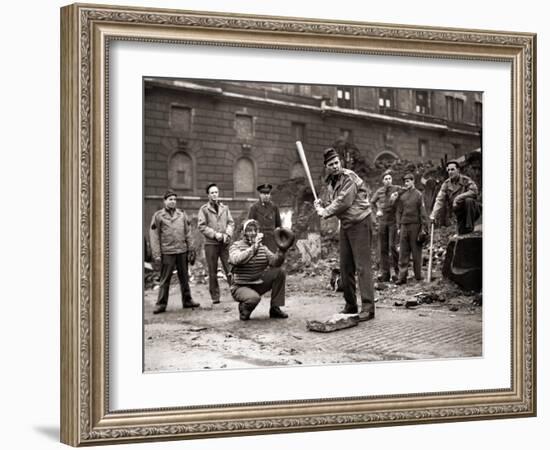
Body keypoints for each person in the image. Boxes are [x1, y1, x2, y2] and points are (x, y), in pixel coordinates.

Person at [314, 147, 375, 322]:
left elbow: (343, 202)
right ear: (326, 166)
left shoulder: (349, 177)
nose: (334, 166)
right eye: (331, 164)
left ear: (340, 162)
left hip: (360, 222)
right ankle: (350, 305)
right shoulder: (331, 181)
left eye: (336, 163)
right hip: (347, 225)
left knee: (362, 267)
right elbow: (332, 201)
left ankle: (369, 308)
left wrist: (324, 211)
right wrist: (320, 204)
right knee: (345, 267)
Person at [149, 190, 199, 314]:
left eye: (174, 199)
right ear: (165, 201)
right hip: (167, 252)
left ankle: (187, 300)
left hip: (181, 250)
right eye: (170, 199)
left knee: (184, 277)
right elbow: (154, 236)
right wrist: (156, 254)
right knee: (165, 279)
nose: (173, 201)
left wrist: (191, 248)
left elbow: (188, 232)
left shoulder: (182, 215)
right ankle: (161, 304)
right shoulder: (158, 216)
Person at [229, 219, 289, 321]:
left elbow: (275, 262)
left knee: (279, 272)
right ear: (243, 233)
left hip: (257, 283)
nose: (252, 233)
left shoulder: (262, 248)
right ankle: (244, 307)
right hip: (240, 286)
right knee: (253, 298)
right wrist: (253, 248)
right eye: (249, 230)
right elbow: (236, 259)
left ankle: (275, 308)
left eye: (254, 230)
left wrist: (282, 250)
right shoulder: (235, 246)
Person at [198, 183, 235, 304]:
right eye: (212, 193)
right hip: (211, 244)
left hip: (224, 243)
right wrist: (215, 234)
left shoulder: (225, 208)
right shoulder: (204, 209)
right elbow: (202, 226)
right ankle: (215, 296)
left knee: (230, 268)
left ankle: (236, 292)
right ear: (208, 195)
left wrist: (227, 234)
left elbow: (231, 222)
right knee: (212, 271)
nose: (215, 195)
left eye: (216, 192)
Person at [394, 173, 429, 285]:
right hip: (404, 226)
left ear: (413, 181)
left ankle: (418, 276)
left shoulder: (418, 195)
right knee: (403, 252)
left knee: (416, 252)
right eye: (405, 181)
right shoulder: (402, 196)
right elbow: (399, 212)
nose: (406, 183)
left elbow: (422, 213)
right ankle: (402, 277)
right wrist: (399, 226)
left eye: (408, 181)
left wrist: (423, 228)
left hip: (415, 226)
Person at [429, 160, 481, 235]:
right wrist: (433, 215)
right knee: (461, 235)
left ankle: (470, 226)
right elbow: (439, 200)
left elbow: (474, 192)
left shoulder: (465, 180)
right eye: (448, 170)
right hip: (458, 213)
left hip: (471, 210)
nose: (450, 172)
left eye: (452, 169)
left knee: (468, 200)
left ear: (458, 170)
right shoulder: (446, 184)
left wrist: (458, 197)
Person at [370, 170, 400, 282]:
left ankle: (398, 272)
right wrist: (377, 210)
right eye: (386, 179)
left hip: (392, 220)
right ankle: (385, 274)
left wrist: (397, 195)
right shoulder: (379, 191)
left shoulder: (396, 189)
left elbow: (406, 191)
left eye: (390, 178)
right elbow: (372, 202)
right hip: (382, 221)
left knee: (392, 246)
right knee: (383, 248)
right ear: (383, 181)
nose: (388, 181)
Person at [247, 183, 282, 252]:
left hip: (271, 239)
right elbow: (250, 225)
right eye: (264, 194)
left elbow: (278, 225)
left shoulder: (274, 207)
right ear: (260, 195)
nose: (266, 196)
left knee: (272, 259)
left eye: (268, 194)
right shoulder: (254, 207)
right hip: (259, 239)